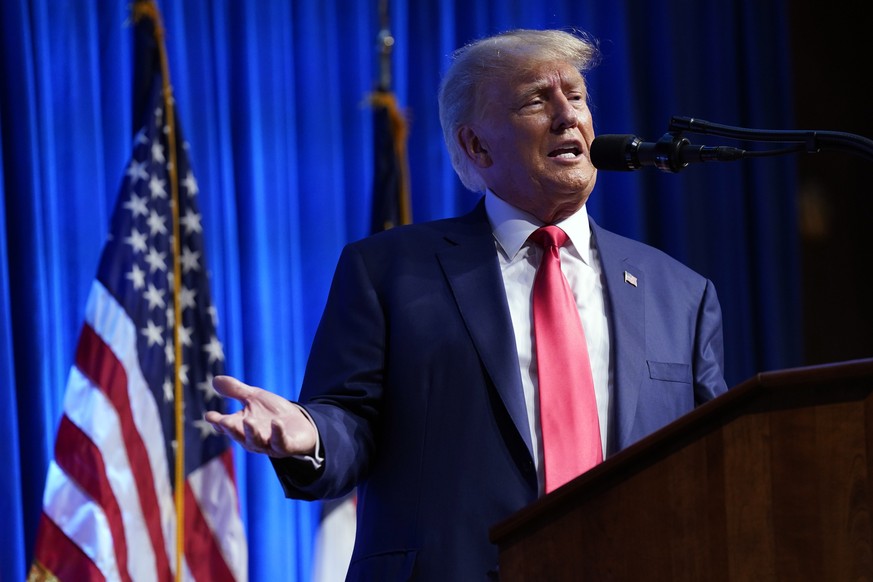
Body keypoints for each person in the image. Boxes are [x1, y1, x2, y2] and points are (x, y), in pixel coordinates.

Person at [206, 28, 728, 580]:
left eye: (575, 97)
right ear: (477, 145)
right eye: (536, 100)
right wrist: (310, 435)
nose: (567, 116)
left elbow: (715, 460)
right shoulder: (389, 271)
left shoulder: (680, 293)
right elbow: (350, 421)